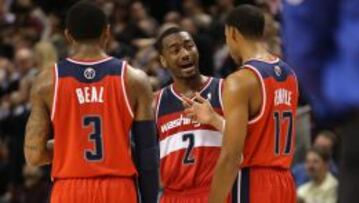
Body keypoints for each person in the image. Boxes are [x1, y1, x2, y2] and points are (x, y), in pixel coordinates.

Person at [23, 1, 159, 203]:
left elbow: (33, 155)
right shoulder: (134, 79)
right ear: (107, 32)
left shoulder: (47, 82)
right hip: (119, 189)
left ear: (68, 36)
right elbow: (147, 153)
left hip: (69, 189)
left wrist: (70, 145)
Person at [184, 5, 299, 203]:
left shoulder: (240, 81)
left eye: (227, 38)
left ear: (233, 33)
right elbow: (261, 134)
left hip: (253, 184)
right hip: (285, 183)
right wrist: (214, 119)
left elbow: (231, 157)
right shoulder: (289, 75)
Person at [154, 27, 229, 203]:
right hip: (173, 196)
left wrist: (214, 119)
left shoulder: (224, 90)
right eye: (175, 50)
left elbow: (246, 142)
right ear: (163, 61)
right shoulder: (155, 103)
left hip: (216, 192)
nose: (185, 54)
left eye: (189, 46)